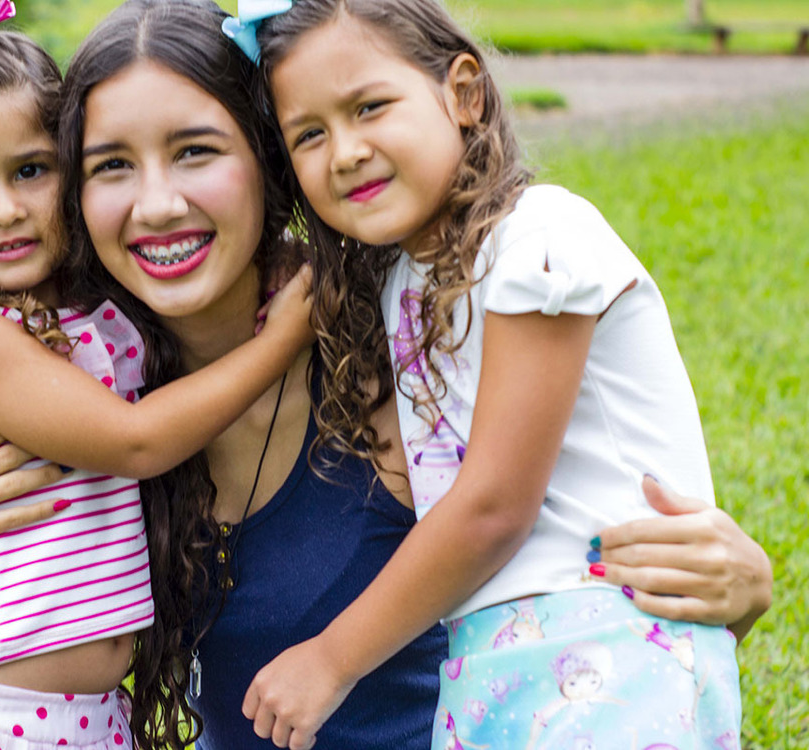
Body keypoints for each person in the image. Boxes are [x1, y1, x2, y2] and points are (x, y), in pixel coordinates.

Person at [0, 0, 772, 748]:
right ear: (74, 195)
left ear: (270, 161)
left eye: (196, 151)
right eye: (111, 167)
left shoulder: (399, 337)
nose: (157, 204)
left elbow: (544, 520)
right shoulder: (78, 380)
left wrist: (735, 587)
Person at [234, 0, 761, 748]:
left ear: (464, 95)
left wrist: (331, 659)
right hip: (494, 660)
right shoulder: (400, 285)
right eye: (309, 134)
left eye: (370, 107)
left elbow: (494, 507)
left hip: (609, 646)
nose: (344, 151)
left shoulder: (538, 236)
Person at [0, 4, 314, 749]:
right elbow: (133, 442)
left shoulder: (84, 311)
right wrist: (282, 336)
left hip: (82, 719)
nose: (4, 211)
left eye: (30, 171)